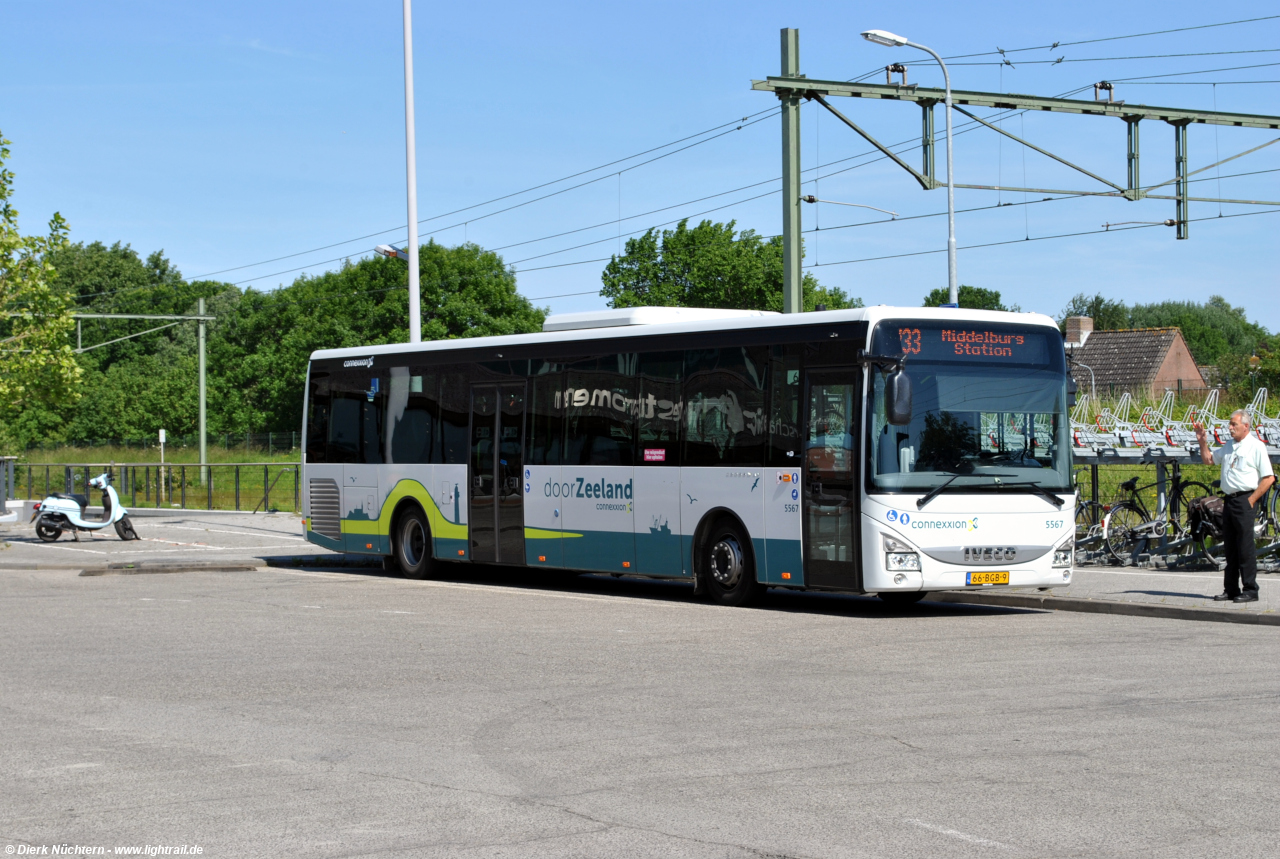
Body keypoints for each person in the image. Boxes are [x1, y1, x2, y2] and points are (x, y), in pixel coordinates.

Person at [1195, 410, 1275, 603]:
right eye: (1230, 425)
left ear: (1245, 426)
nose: (1230, 428)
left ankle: (1250, 589)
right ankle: (1231, 589)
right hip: (1229, 500)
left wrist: (1252, 499)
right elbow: (1209, 460)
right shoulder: (1229, 446)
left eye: (1234, 425)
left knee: (1245, 546)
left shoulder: (1256, 447)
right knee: (1229, 545)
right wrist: (1202, 441)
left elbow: (1269, 478)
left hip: (1245, 499)